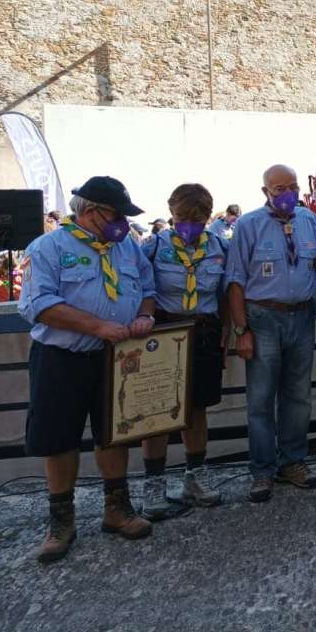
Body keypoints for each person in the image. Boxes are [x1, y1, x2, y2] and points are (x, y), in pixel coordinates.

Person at [18, 176, 156, 562]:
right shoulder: (48, 247)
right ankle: (61, 521)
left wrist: (145, 314)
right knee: (59, 439)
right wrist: (97, 326)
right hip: (62, 358)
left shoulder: (126, 245)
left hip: (115, 358)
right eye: (115, 216)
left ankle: (117, 509)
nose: (122, 225)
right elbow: (37, 305)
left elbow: (147, 287)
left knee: (115, 433)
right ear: (90, 211)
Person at [225, 164, 316, 503]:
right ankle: (263, 471)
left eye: (292, 186)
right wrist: (241, 331)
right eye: (279, 188)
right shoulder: (248, 224)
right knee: (261, 398)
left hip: (301, 316)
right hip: (263, 318)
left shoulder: (310, 220)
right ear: (265, 192)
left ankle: (293, 463)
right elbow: (236, 281)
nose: (287, 193)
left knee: (298, 397)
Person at [138, 184, 227, 519]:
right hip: (164, 331)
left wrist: (229, 331)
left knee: (197, 408)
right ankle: (154, 483)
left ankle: (194, 476)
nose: (190, 224)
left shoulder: (219, 247)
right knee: (159, 410)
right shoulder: (152, 247)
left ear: (207, 216)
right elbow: (140, 288)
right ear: (171, 214)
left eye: (198, 218)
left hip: (204, 331)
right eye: (182, 218)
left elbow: (225, 291)